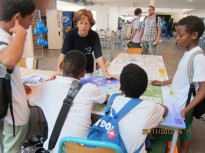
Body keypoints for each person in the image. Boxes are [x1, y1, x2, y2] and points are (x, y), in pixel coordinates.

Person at [29, 50, 108, 153]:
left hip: (54, 149)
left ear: (61, 67)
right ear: (83, 73)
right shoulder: (90, 89)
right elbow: (106, 98)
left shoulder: (48, 87)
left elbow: (30, 101)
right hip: (83, 149)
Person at [150, 16, 205, 153]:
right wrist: (163, 82)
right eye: (176, 35)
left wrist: (185, 110)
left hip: (183, 105)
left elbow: (203, 90)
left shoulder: (198, 58)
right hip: (179, 101)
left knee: (163, 134)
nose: (177, 38)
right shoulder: (188, 53)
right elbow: (182, 76)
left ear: (194, 35)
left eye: (180, 35)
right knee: (186, 129)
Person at [0, 0, 35, 152]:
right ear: (18, 17)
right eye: (30, 18)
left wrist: (18, 83)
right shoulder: (4, 40)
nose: (31, 22)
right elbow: (8, 60)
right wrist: (21, 32)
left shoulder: (6, 36)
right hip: (13, 112)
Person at [109, 63, 168, 153]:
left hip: (109, 147)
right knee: (162, 142)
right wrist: (157, 105)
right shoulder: (150, 106)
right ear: (144, 89)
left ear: (121, 87)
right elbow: (165, 110)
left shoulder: (115, 99)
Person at [57, 9, 113, 79]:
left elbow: (98, 56)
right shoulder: (70, 34)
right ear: (76, 24)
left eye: (86, 23)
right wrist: (58, 73)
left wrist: (106, 73)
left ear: (90, 24)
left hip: (87, 69)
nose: (83, 26)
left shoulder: (94, 35)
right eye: (81, 23)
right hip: (71, 68)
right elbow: (63, 54)